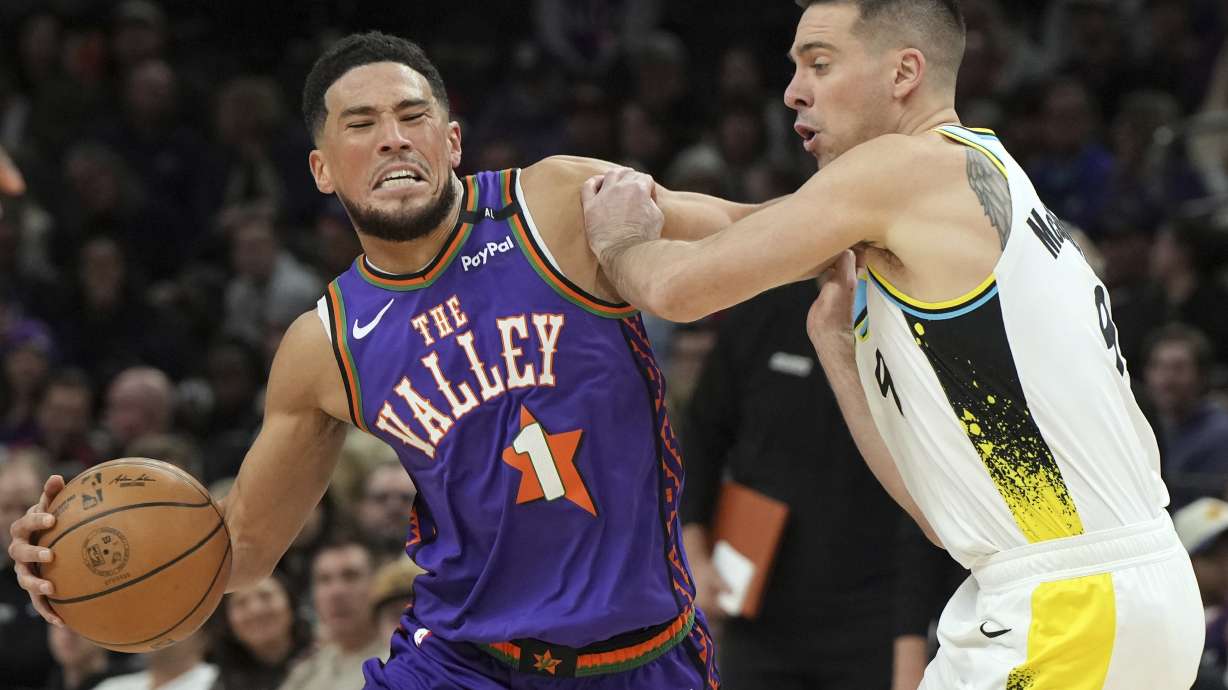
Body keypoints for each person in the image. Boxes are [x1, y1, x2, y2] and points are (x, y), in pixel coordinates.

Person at [11, 31, 761, 689]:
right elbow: (239, 552)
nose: (393, 138)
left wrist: (867, 213)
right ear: (322, 169)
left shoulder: (556, 207)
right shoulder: (326, 343)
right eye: (361, 124)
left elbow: (756, 233)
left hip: (646, 655)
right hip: (463, 662)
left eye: (413, 117)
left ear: (453, 142)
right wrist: (78, 573)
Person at [579, 1, 1203, 687]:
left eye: (819, 63)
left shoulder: (908, 170)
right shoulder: (958, 184)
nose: (792, 90)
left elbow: (679, 291)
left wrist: (618, 240)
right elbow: (939, 517)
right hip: (1072, 591)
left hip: (1075, 603)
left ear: (905, 71)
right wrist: (840, 354)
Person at [680, 281, 901, 689]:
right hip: (758, 603)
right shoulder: (764, 311)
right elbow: (701, 436)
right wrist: (693, 550)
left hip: (878, 615)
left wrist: (912, 640)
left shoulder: (910, 325)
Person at [278, 538, 384, 690]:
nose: (336, 592)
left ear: (377, 584)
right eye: (324, 580)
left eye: (351, 576)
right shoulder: (306, 671)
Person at [209, 571, 312, 690]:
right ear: (227, 621)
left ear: (291, 602)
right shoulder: (221, 685)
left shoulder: (327, 655)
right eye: (241, 603)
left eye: (265, 596)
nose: (256, 610)